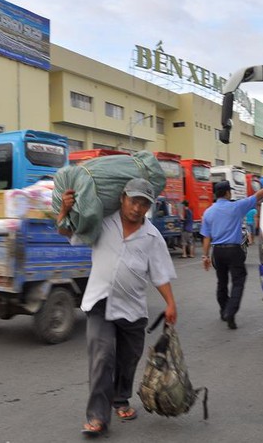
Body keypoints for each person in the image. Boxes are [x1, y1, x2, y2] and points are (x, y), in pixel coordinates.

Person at [57, 178, 177, 437]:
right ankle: (97, 417)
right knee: (102, 358)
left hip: (133, 307)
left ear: (148, 207)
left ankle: (120, 399)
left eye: (143, 204)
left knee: (128, 358)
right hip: (100, 301)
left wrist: (170, 303)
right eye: (133, 200)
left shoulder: (152, 236)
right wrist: (64, 211)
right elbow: (69, 233)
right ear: (122, 198)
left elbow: (160, 274)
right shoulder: (102, 221)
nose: (137, 208)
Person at [200, 180, 263, 330]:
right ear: (228, 193)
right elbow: (258, 195)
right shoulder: (236, 206)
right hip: (234, 250)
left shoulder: (208, 212)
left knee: (221, 282)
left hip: (218, 251)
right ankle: (231, 311)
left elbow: (206, 237)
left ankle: (224, 310)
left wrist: (205, 256)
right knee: (238, 281)